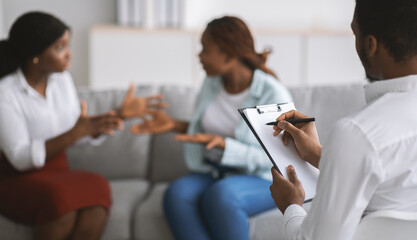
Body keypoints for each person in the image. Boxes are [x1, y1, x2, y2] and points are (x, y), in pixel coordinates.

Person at [0, 11, 164, 240]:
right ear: (34, 55)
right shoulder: (6, 93)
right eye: (60, 48)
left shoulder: (62, 81)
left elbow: (80, 128)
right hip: (14, 179)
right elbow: (19, 158)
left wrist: (118, 114)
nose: (69, 55)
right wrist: (77, 131)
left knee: (97, 189)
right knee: (61, 204)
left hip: (57, 171)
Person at [131, 16, 293, 240]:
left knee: (222, 196)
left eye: (205, 49)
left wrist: (228, 147)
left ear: (228, 54)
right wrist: (174, 124)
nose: (199, 55)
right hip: (214, 171)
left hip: (262, 177)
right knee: (176, 195)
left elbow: (278, 158)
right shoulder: (211, 83)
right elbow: (212, 132)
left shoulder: (272, 94)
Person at [269, 0, 417, 239]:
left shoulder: (357, 132)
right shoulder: (361, 140)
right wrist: (320, 155)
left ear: (370, 45)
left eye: (355, 33)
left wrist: (290, 205)